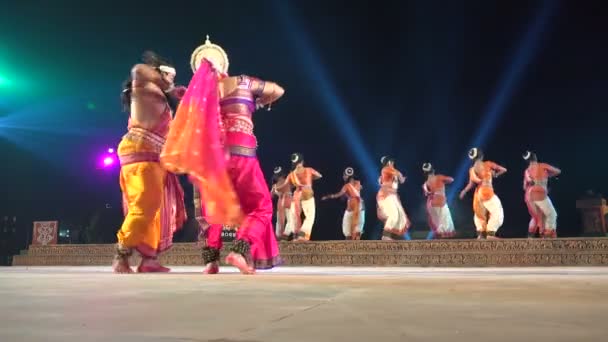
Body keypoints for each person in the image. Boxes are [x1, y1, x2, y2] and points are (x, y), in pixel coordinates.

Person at [161, 36, 284, 274]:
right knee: (262, 206)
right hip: (241, 153)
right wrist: (258, 103)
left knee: (213, 211)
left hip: (211, 160)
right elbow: (278, 90)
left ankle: (211, 262)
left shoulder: (197, 98)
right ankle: (239, 250)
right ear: (224, 65)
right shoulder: (244, 82)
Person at [113, 51, 187, 273]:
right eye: (169, 75)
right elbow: (138, 68)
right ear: (159, 73)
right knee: (145, 206)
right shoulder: (143, 86)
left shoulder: (159, 95)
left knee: (156, 209)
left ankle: (149, 259)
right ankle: (121, 254)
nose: (172, 80)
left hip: (154, 156)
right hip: (141, 152)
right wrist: (171, 88)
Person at [459, 148, 507, 239]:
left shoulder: (472, 169)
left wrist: (464, 191)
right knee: (497, 211)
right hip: (487, 192)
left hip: (478, 195)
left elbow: (471, 184)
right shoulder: (488, 164)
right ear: (481, 156)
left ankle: (481, 234)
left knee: (479, 214)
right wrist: (495, 174)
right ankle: (490, 233)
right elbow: (504, 170)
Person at [281, 153, 322, 241]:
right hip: (307, 195)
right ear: (302, 161)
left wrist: (276, 189)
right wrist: (310, 178)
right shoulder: (309, 170)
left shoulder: (291, 175)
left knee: (295, 216)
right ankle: (302, 235)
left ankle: (296, 236)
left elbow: (284, 186)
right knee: (310, 216)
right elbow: (319, 175)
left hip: (297, 195)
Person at [523, 151, 561, 238]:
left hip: (530, 196)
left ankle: (534, 235)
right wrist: (548, 175)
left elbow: (524, 187)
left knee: (539, 217)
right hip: (540, 195)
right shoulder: (542, 166)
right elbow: (558, 171)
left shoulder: (527, 171)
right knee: (552, 214)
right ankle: (548, 232)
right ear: (535, 157)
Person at [321, 167, 365, 240]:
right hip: (360, 206)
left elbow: (338, 195)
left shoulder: (346, 186)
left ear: (348, 176)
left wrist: (328, 196)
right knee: (357, 228)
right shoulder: (358, 183)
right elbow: (359, 189)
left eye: (344, 175)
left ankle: (350, 245)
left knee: (348, 230)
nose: (343, 177)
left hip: (353, 207)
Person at [377, 156, 411, 240]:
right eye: (391, 162)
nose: (393, 164)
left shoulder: (389, 171)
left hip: (392, 195)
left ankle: (389, 236)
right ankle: (385, 236)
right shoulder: (386, 169)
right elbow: (399, 175)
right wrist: (402, 179)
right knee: (394, 215)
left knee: (399, 217)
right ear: (388, 162)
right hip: (386, 195)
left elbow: (382, 181)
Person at [422, 163, 456, 239]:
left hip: (432, 203)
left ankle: (438, 240)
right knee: (445, 222)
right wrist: (444, 181)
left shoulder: (426, 183)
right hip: (441, 201)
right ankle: (442, 241)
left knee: (438, 222)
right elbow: (451, 179)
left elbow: (426, 194)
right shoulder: (439, 177)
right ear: (433, 170)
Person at [271, 166, 295, 240]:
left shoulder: (274, 186)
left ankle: (278, 237)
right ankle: (285, 234)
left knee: (279, 221)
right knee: (291, 219)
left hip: (280, 202)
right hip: (288, 199)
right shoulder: (288, 181)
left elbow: (270, 196)